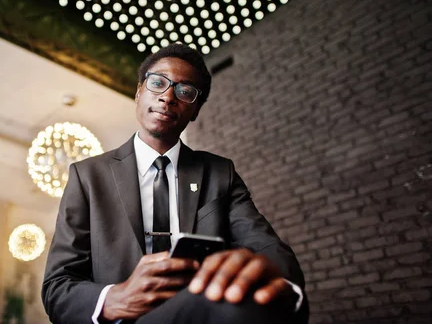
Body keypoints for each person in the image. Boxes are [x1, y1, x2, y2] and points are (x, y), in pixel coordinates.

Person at [42, 44, 308, 324]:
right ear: (138, 93)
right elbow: (58, 286)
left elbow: (265, 245)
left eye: (185, 91)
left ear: (195, 111)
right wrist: (115, 298)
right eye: (157, 83)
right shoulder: (87, 176)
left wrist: (286, 290)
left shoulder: (220, 173)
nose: (168, 97)